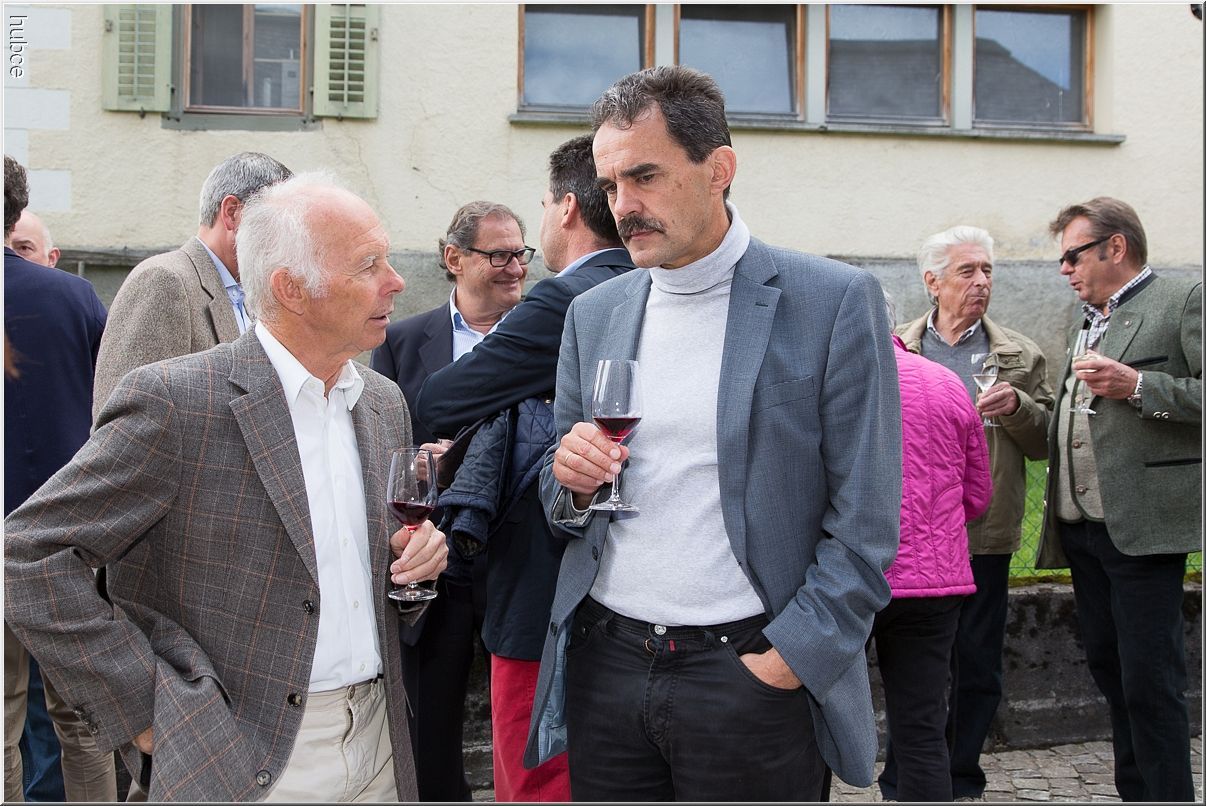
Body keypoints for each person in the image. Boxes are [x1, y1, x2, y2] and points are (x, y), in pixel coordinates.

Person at [4, 172, 450, 802]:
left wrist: (411, 561)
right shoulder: (178, 401)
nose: (397, 280)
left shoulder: (380, 402)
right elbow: (27, 553)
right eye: (368, 264)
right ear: (291, 288)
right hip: (235, 754)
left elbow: (346, 572)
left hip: (379, 746)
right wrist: (146, 712)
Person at [523, 66, 901, 801]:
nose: (622, 207)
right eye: (610, 185)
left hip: (750, 674)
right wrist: (570, 480)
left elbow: (868, 518)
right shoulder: (593, 314)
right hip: (607, 665)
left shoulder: (830, 301)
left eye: (644, 177)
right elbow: (560, 497)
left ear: (719, 169)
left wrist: (785, 662)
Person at [414, 133, 636, 802]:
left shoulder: (565, 298)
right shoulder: (655, 282)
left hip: (543, 587)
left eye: (542, 204)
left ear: (566, 207)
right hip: (636, 600)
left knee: (536, 777)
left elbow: (442, 399)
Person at [1037, 196, 1200, 802]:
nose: (1064, 269)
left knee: (1150, 681)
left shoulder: (1183, 299)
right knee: (1109, 668)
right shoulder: (1085, 318)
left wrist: (1139, 385)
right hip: (1082, 527)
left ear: (1116, 247)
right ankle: (1136, 792)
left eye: (1073, 256)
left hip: (1143, 523)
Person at [370, 200, 530, 801]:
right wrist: (418, 464)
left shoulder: (544, 334)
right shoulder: (402, 339)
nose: (516, 267)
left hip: (517, 554)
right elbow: (383, 444)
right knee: (428, 724)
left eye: (521, 253)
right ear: (454, 258)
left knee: (525, 728)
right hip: (434, 554)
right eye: (499, 255)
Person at [893, 225, 1054, 800]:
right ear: (932, 282)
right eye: (968, 271)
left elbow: (1044, 443)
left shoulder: (1019, 354)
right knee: (909, 665)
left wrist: (1019, 408)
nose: (981, 281)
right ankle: (905, 772)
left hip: (983, 531)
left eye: (987, 270)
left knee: (977, 661)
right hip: (910, 535)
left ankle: (960, 773)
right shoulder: (898, 346)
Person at [3, 156, 117, 803]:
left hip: (50, 541)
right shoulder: (74, 297)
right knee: (82, 721)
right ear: (17, 213)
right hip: (66, 539)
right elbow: (116, 412)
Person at [874, 293, 992, 801]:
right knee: (922, 727)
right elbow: (978, 495)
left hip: (852, 577)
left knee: (815, 719)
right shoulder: (946, 382)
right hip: (936, 583)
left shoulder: (832, 381)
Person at [92, 151, 291, 419]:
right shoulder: (163, 280)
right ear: (232, 213)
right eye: (277, 224)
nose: (287, 241)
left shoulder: (252, 292)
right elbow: (124, 420)